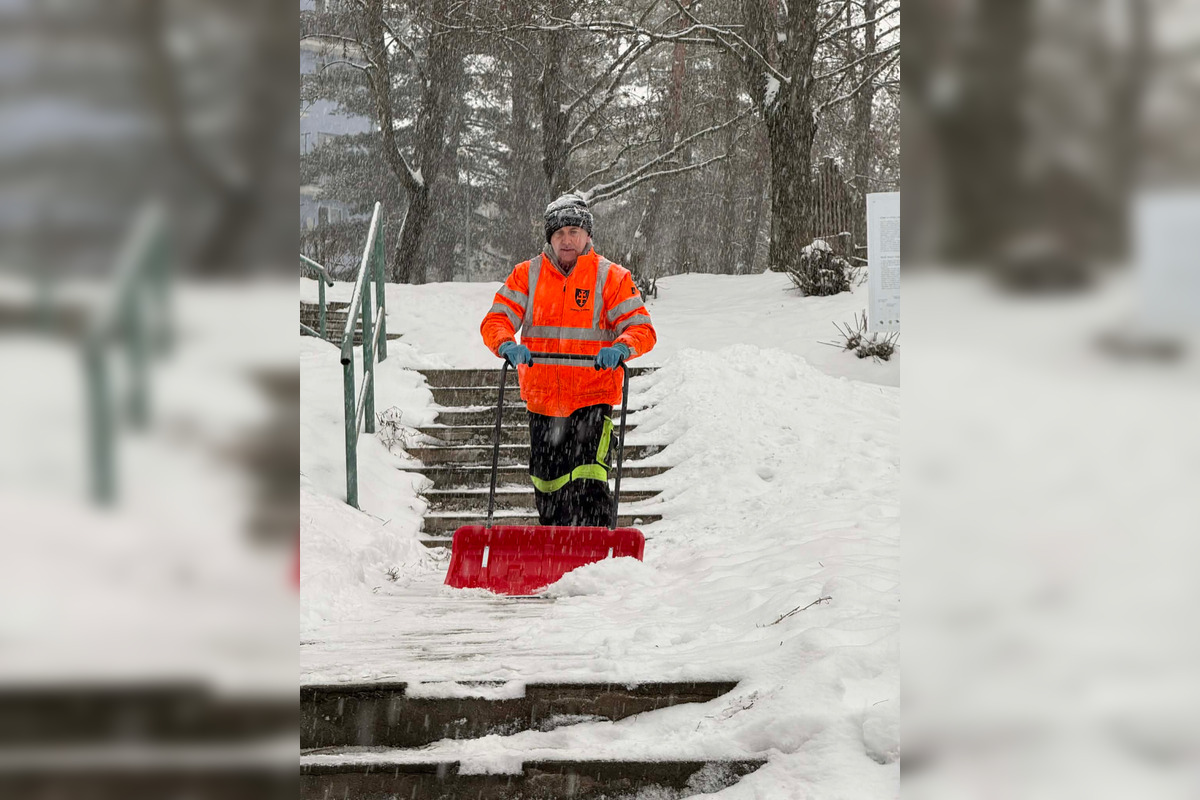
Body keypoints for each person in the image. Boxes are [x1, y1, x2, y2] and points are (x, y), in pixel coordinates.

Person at [480, 194, 657, 527]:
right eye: (559, 232)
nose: (567, 239)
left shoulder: (612, 277)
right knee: (547, 486)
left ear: (587, 235)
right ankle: (555, 553)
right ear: (549, 237)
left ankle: (594, 555)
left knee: (589, 481)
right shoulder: (526, 275)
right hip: (542, 400)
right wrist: (506, 344)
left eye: (574, 230)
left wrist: (620, 347)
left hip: (592, 397)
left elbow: (641, 328)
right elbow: (496, 319)